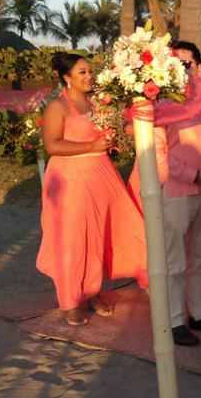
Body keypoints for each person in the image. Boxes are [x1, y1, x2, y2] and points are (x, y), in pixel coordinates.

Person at [128, 40, 201, 347]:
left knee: (200, 257)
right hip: (177, 191)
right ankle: (173, 320)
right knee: (174, 260)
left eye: (188, 64)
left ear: (200, 66)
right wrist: (196, 175)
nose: (184, 70)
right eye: (177, 64)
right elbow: (157, 154)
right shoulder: (161, 104)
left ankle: (200, 312)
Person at [37, 53, 148, 326]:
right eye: (82, 73)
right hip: (69, 178)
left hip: (101, 173)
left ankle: (94, 290)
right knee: (73, 239)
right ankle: (71, 301)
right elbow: (52, 146)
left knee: (102, 234)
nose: (89, 77)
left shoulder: (98, 102)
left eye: (90, 72)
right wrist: (90, 147)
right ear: (67, 77)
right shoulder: (57, 107)